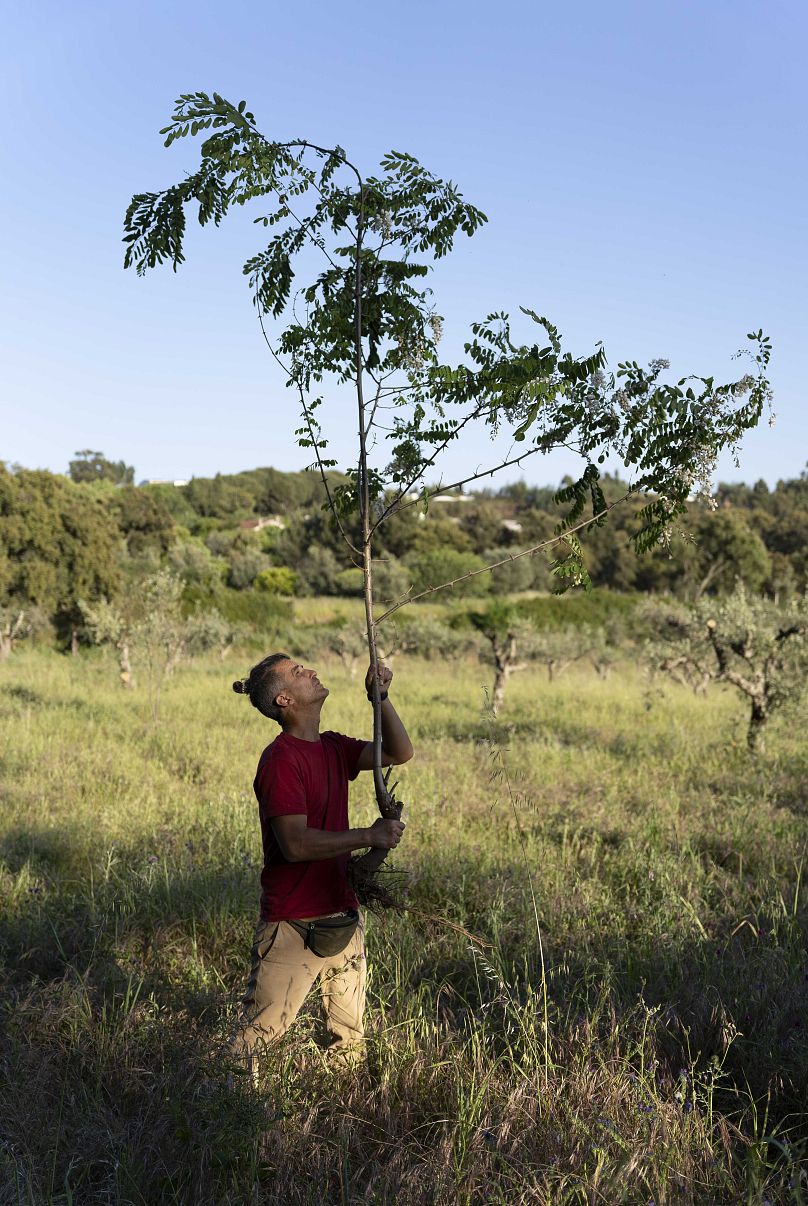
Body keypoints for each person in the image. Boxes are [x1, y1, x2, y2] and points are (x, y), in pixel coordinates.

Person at [230, 652, 412, 1078]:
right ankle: (222, 1115)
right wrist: (369, 835)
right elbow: (294, 845)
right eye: (297, 672)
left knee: (348, 1037)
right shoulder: (280, 761)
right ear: (284, 701)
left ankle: (341, 1119)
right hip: (293, 923)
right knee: (258, 1037)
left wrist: (380, 698)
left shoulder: (333, 747)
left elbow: (399, 752)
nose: (310, 671)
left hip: (342, 917)